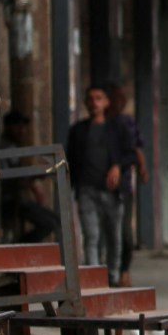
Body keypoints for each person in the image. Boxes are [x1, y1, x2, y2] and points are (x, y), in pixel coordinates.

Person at [64, 85, 132, 286]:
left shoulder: (118, 128)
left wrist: (118, 167)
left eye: (99, 98)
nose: (94, 102)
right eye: (91, 98)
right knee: (91, 236)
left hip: (112, 192)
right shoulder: (78, 130)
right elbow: (70, 160)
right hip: (86, 190)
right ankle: (94, 280)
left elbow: (130, 153)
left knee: (114, 237)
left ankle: (112, 277)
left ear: (106, 102)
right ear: (86, 102)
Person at [105, 83, 149, 285]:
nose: (120, 103)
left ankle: (123, 270)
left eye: (123, 98)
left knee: (125, 235)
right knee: (103, 234)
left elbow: (136, 149)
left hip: (123, 187)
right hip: (100, 186)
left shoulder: (126, 123)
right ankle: (106, 274)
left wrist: (142, 168)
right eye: (116, 98)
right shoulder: (101, 124)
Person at [0, 110, 58, 244]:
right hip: (9, 199)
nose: (21, 131)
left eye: (23, 127)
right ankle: (19, 249)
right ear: (8, 126)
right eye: (18, 126)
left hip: (17, 198)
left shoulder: (11, 147)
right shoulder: (4, 148)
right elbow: (11, 179)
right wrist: (32, 179)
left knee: (53, 220)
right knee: (49, 223)